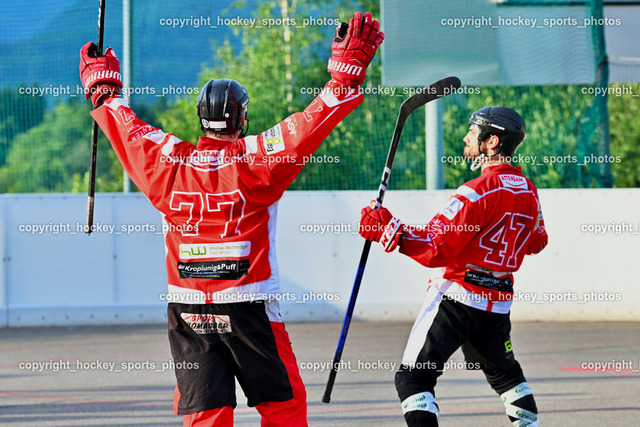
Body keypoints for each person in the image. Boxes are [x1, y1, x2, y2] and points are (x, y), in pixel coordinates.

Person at [79, 12, 383, 427]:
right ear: (242, 119)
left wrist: (103, 91)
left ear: (200, 118)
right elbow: (307, 126)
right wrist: (343, 80)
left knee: (206, 415)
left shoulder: (167, 162)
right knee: (284, 408)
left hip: (187, 309)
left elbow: (130, 131)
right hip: (248, 307)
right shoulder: (256, 159)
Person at [359, 106, 548, 427]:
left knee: (413, 379)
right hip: (497, 303)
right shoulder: (529, 190)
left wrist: (387, 229)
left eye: (473, 133)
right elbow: (537, 242)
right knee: (507, 378)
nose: (465, 138)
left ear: (492, 141)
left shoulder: (475, 191)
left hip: (457, 298)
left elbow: (435, 249)